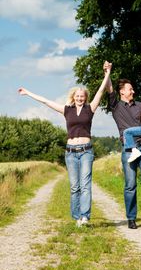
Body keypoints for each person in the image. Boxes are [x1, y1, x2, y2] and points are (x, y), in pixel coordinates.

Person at [18, 62, 112, 227]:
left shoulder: (90, 108)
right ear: (73, 96)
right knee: (75, 186)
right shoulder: (66, 110)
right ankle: (77, 217)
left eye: (82, 96)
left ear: (85, 97)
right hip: (70, 152)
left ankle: (85, 217)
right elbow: (46, 101)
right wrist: (28, 93)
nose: (80, 98)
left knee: (85, 185)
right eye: (77, 96)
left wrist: (107, 73)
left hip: (86, 152)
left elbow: (101, 91)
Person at [104, 61, 141, 229]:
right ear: (122, 92)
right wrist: (107, 72)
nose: (133, 91)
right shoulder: (115, 105)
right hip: (129, 150)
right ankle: (131, 218)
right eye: (130, 89)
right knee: (130, 185)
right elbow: (109, 88)